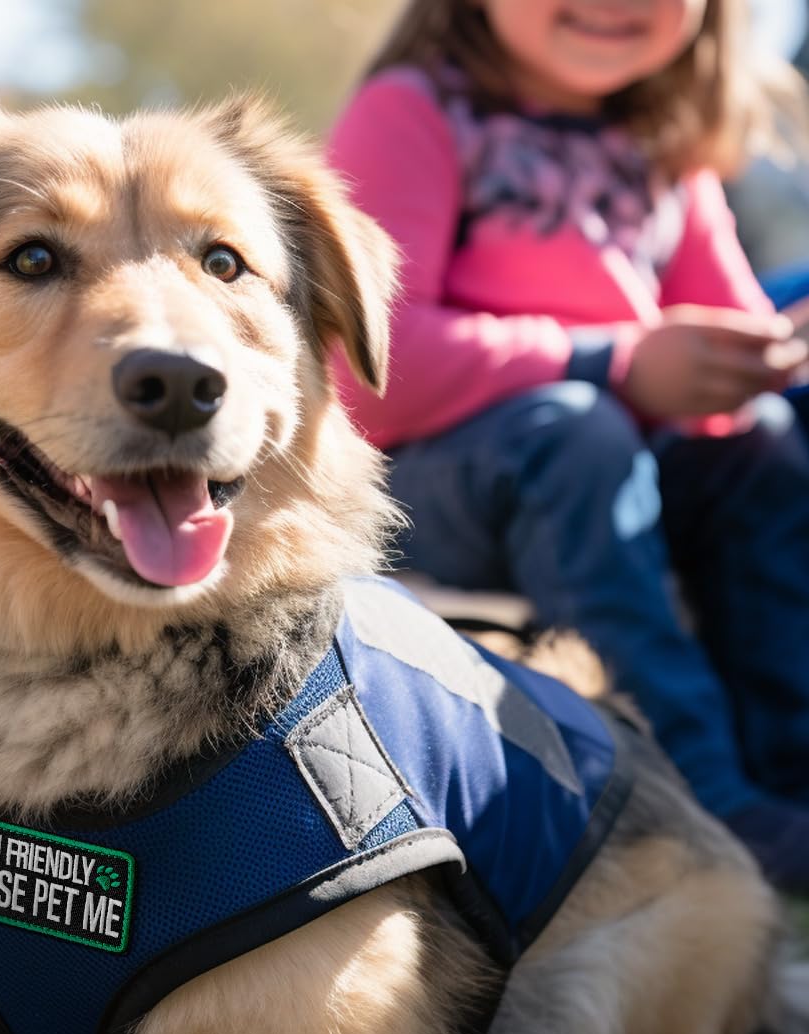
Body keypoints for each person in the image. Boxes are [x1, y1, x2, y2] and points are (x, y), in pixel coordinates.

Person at [328, 0, 809, 890]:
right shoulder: (414, 110)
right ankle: (694, 793)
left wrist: (773, 353)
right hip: (442, 485)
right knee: (576, 433)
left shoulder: (661, 147)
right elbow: (369, 367)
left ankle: (789, 770)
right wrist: (614, 361)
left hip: (605, 468)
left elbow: (728, 341)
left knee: (763, 441)